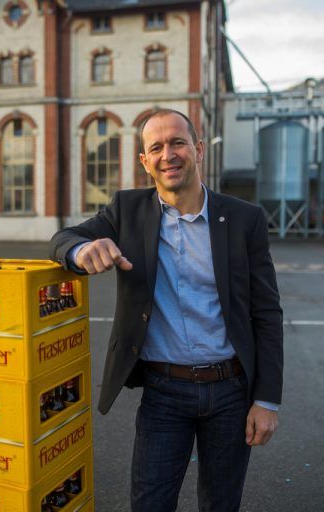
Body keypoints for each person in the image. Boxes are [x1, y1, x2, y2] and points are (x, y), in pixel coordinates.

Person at [49, 109, 283, 512]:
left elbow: (267, 313)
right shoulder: (128, 211)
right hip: (163, 393)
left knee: (221, 504)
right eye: (155, 147)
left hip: (230, 390)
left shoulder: (245, 219)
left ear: (198, 149)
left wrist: (267, 400)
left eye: (177, 142)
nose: (167, 154)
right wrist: (81, 249)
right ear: (144, 161)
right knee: (150, 503)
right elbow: (62, 239)